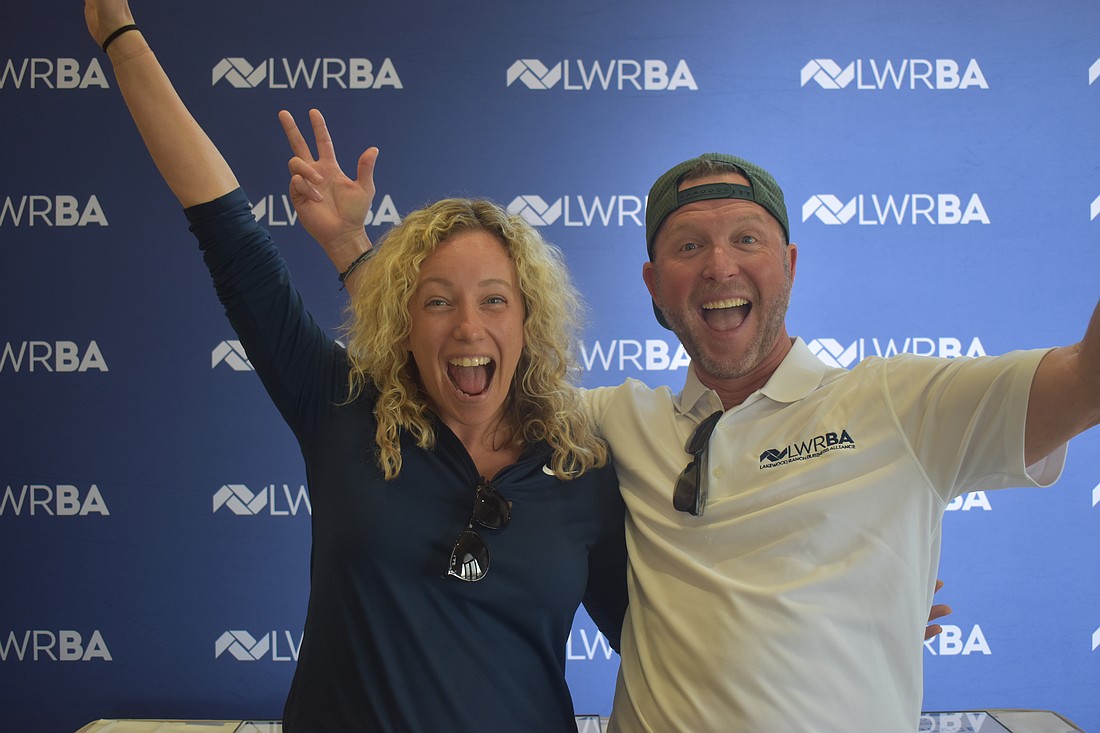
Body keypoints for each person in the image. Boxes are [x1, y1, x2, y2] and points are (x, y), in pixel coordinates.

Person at [295, 135, 1096, 728]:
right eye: (688, 245)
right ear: (654, 285)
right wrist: (350, 247)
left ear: (789, 263)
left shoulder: (901, 402)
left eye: (746, 238)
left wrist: (861, 605)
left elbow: (1083, 382)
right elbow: (468, 362)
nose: (719, 265)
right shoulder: (608, 423)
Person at [85, 2, 628, 731]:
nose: (469, 326)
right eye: (437, 302)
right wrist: (118, 35)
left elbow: (653, 641)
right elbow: (225, 228)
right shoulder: (343, 410)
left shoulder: (581, 466)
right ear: (404, 323)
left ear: (529, 321)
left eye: (494, 300)